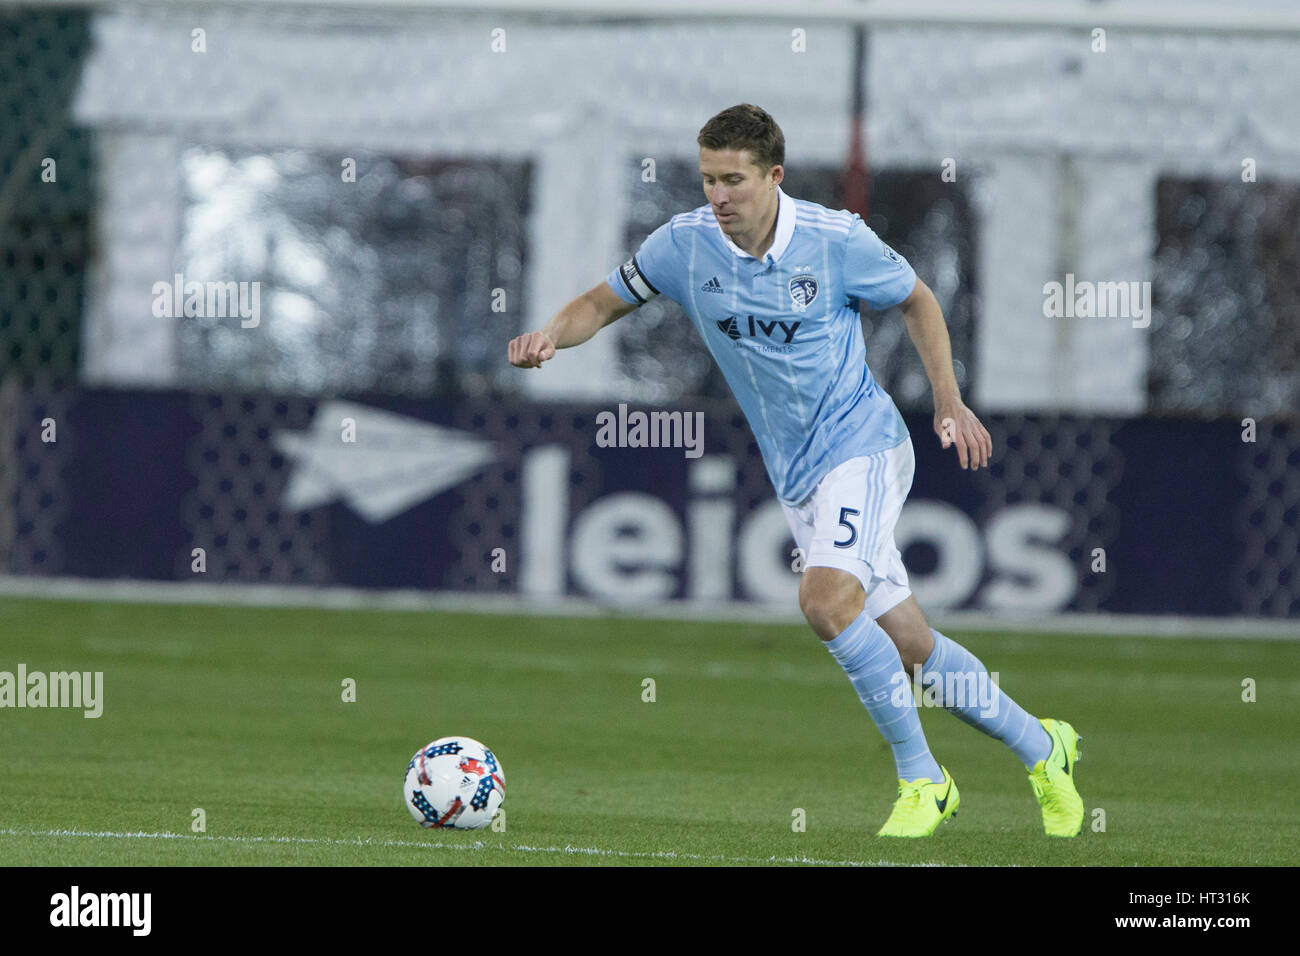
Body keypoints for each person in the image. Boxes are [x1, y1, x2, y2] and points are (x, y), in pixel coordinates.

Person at [507, 103, 1083, 838]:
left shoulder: (834, 240)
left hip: (864, 446)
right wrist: (552, 336)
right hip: (797, 473)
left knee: (824, 601)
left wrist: (949, 404)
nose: (719, 196)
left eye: (735, 180)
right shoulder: (684, 246)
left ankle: (923, 780)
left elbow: (917, 299)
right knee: (909, 642)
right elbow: (601, 301)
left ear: (774, 176)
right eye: (709, 179)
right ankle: (1045, 747)